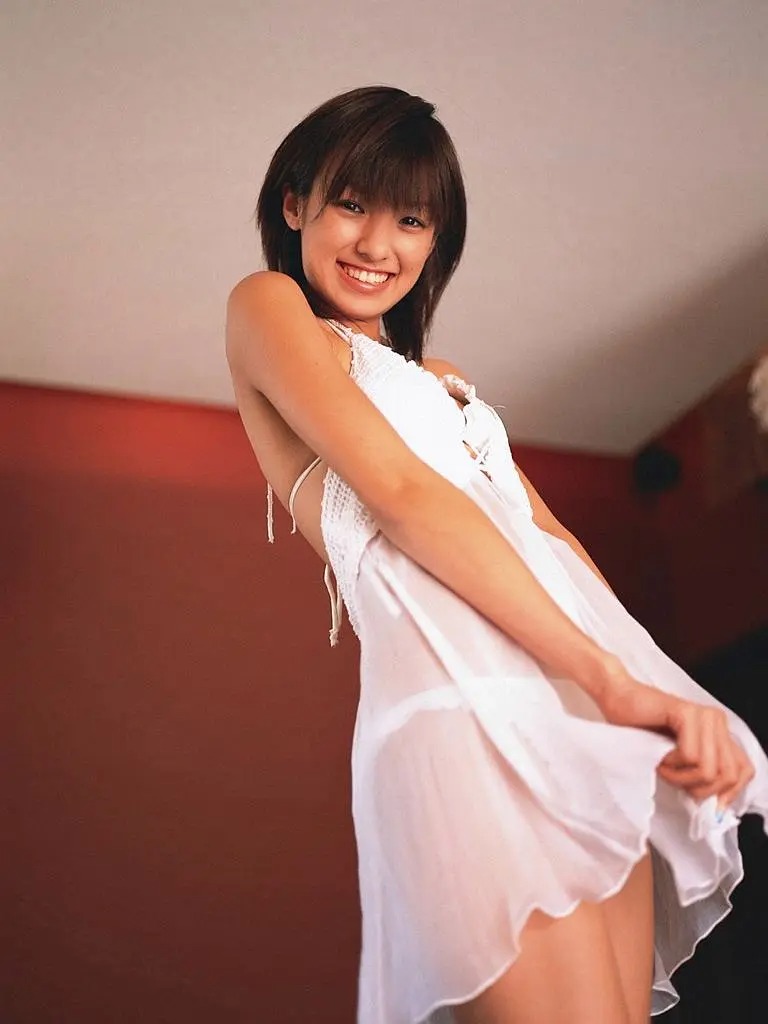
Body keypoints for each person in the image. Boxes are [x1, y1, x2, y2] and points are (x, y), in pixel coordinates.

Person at [225, 85, 768, 1024]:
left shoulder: (443, 384)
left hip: (589, 707)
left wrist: (659, 692)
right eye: (351, 203)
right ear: (294, 204)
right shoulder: (269, 307)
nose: (376, 243)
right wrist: (613, 683)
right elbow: (403, 496)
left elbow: (553, 544)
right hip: (465, 711)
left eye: (411, 219)